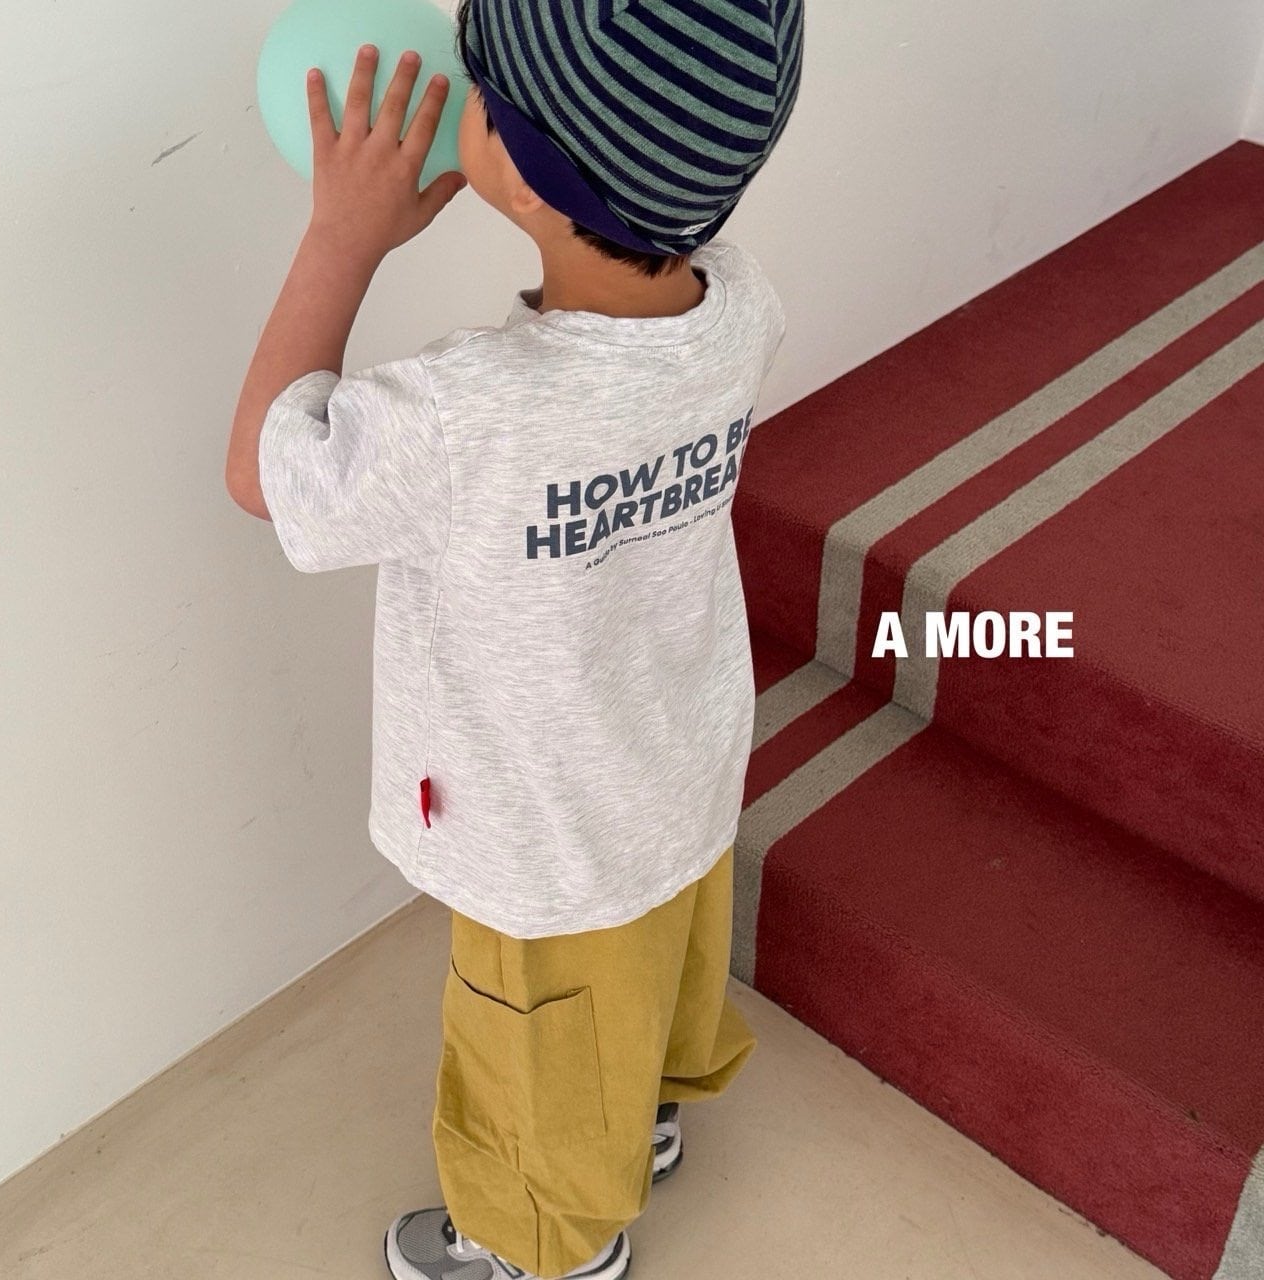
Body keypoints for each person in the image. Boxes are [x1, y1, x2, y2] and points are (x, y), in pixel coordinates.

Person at [227, 1, 803, 1275]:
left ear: (531, 180)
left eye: (475, 76)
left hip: (537, 810)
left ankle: (542, 1240)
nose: (451, 74)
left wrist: (341, 237)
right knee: (655, 952)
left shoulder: (462, 413)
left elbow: (268, 474)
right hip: (677, 752)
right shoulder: (740, 305)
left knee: (530, 1027)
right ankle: (637, 1113)